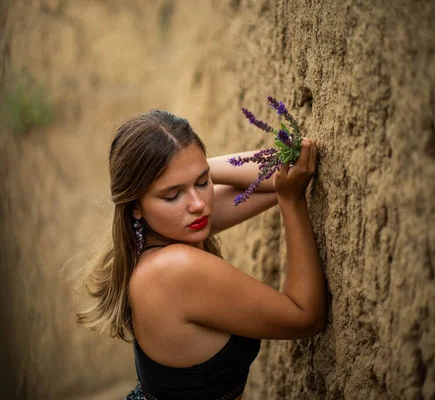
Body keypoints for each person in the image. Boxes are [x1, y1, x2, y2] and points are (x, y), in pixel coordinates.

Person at [75, 109, 325, 400]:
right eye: (172, 195)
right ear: (135, 206)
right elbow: (306, 318)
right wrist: (292, 201)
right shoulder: (173, 269)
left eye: (203, 182)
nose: (198, 204)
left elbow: (284, 169)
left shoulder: (168, 230)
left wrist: (187, 164)